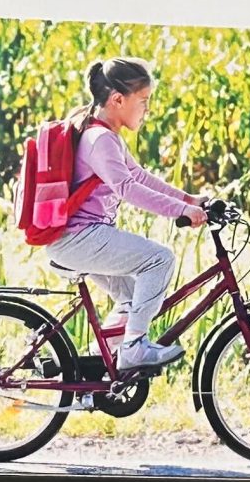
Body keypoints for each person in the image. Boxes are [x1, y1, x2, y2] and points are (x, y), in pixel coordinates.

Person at [49, 57, 207, 372]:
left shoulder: (104, 134)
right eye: (144, 102)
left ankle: (97, 367)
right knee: (160, 259)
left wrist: (188, 198)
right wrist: (181, 211)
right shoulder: (101, 139)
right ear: (118, 100)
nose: (147, 110)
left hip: (79, 238)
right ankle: (134, 348)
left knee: (134, 298)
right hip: (79, 238)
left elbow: (139, 176)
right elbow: (127, 188)